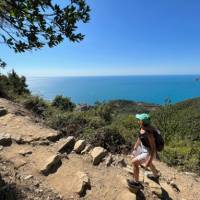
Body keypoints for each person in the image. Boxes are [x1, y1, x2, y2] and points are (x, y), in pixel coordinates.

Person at [127, 113, 160, 189]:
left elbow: (153, 148)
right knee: (147, 162)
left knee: (134, 162)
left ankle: (136, 183)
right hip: (144, 148)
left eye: (139, 120)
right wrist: (135, 147)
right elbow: (140, 138)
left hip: (149, 152)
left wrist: (149, 160)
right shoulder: (142, 128)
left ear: (142, 122)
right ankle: (156, 175)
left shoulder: (149, 133)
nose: (137, 121)